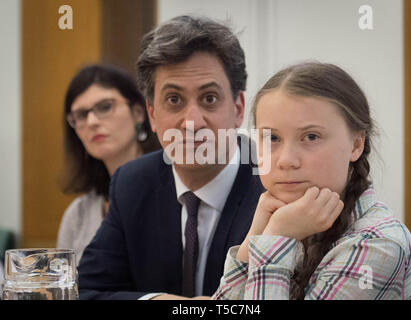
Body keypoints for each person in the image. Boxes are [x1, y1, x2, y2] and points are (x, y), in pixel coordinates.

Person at [77, 15, 264, 300]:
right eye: (174, 100)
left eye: (209, 98)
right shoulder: (132, 182)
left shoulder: (274, 181)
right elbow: (86, 291)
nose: (192, 122)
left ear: (238, 109)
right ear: (152, 114)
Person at [212, 62, 411, 300]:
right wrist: (254, 238)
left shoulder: (376, 246)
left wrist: (276, 237)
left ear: (356, 145)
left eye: (311, 136)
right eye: (272, 137)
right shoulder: (296, 219)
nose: (286, 161)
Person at [57, 64, 160, 265]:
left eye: (105, 107)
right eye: (81, 115)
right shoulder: (78, 213)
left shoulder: (176, 192)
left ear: (139, 112)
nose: (92, 121)